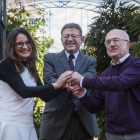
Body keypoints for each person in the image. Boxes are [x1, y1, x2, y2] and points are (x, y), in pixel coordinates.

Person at [0, 27, 72, 140]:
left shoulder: (30, 68)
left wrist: (63, 85)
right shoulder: (6, 64)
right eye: (19, 43)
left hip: (27, 124)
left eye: (28, 42)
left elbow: (45, 96)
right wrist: (55, 85)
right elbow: (23, 91)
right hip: (10, 124)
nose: (25, 46)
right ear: (12, 46)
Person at [69, 29, 140, 140]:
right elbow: (95, 106)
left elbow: (120, 82)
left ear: (128, 43)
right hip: (112, 134)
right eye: (108, 42)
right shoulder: (106, 73)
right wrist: (82, 94)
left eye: (116, 40)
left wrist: (83, 80)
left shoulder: (137, 63)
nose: (111, 44)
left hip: (136, 133)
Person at [40, 23, 98, 140]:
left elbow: (90, 77)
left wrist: (75, 80)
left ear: (82, 39)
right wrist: (64, 83)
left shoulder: (90, 60)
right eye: (66, 36)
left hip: (83, 121)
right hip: (55, 121)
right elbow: (48, 79)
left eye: (74, 36)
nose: (70, 39)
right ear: (61, 40)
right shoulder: (50, 58)